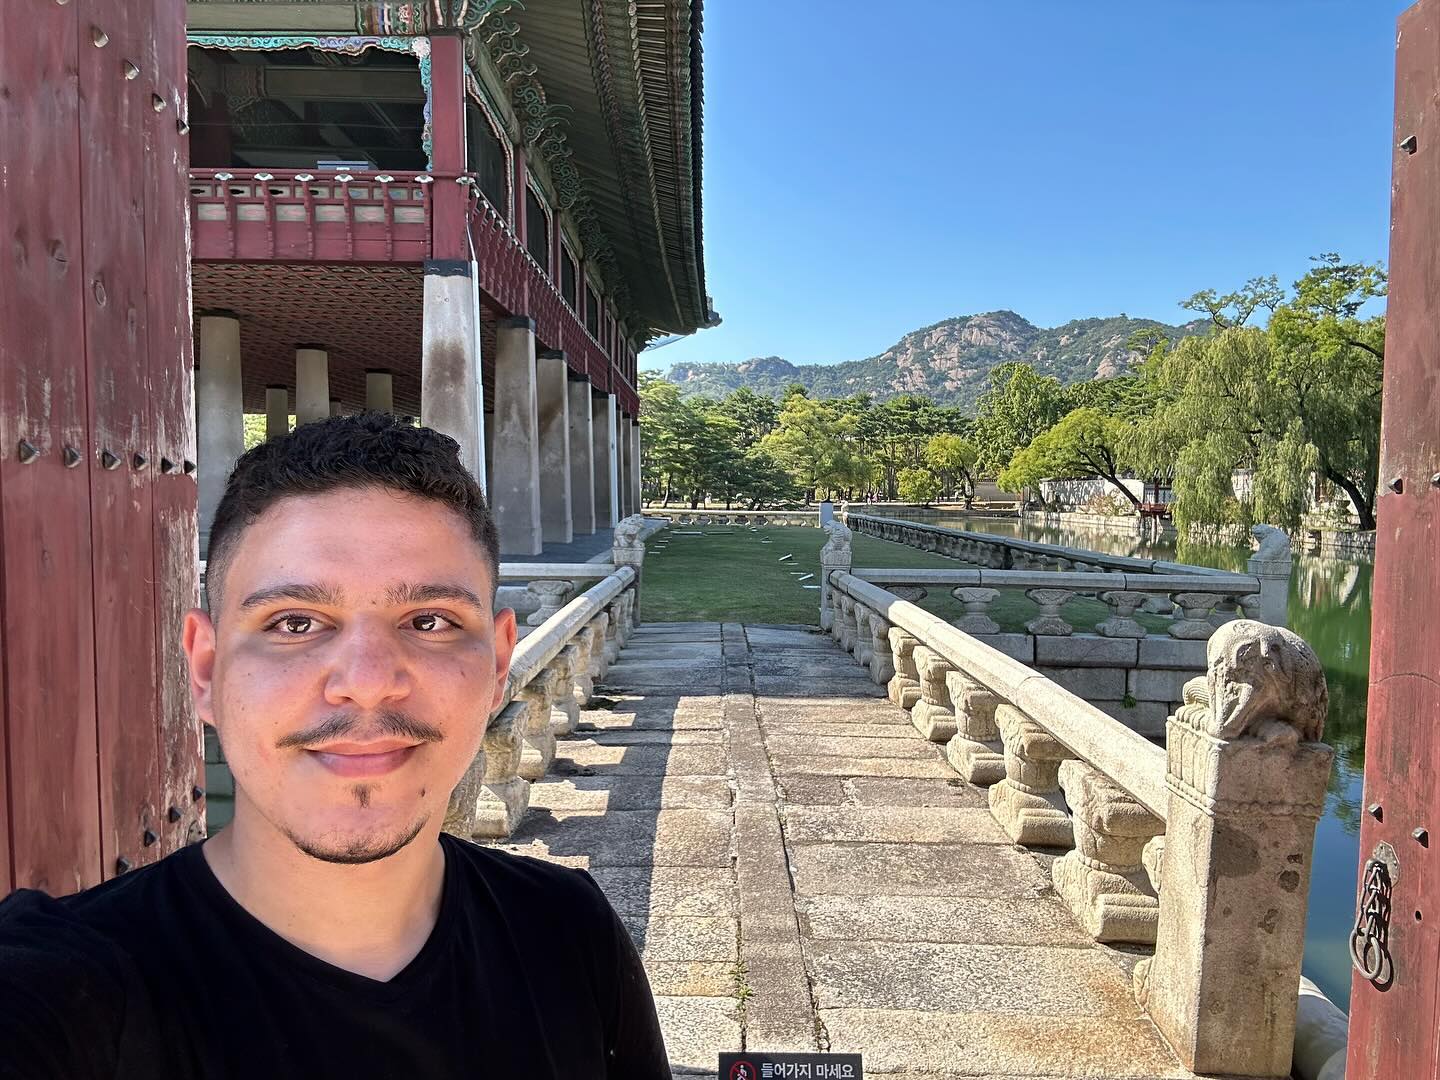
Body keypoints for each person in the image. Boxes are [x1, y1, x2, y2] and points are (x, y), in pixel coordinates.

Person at [0, 414, 671, 1079]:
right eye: (296, 623)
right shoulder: (61, 990)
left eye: (429, 621)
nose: (369, 683)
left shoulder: (568, 934)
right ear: (205, 669)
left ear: (498, 665)